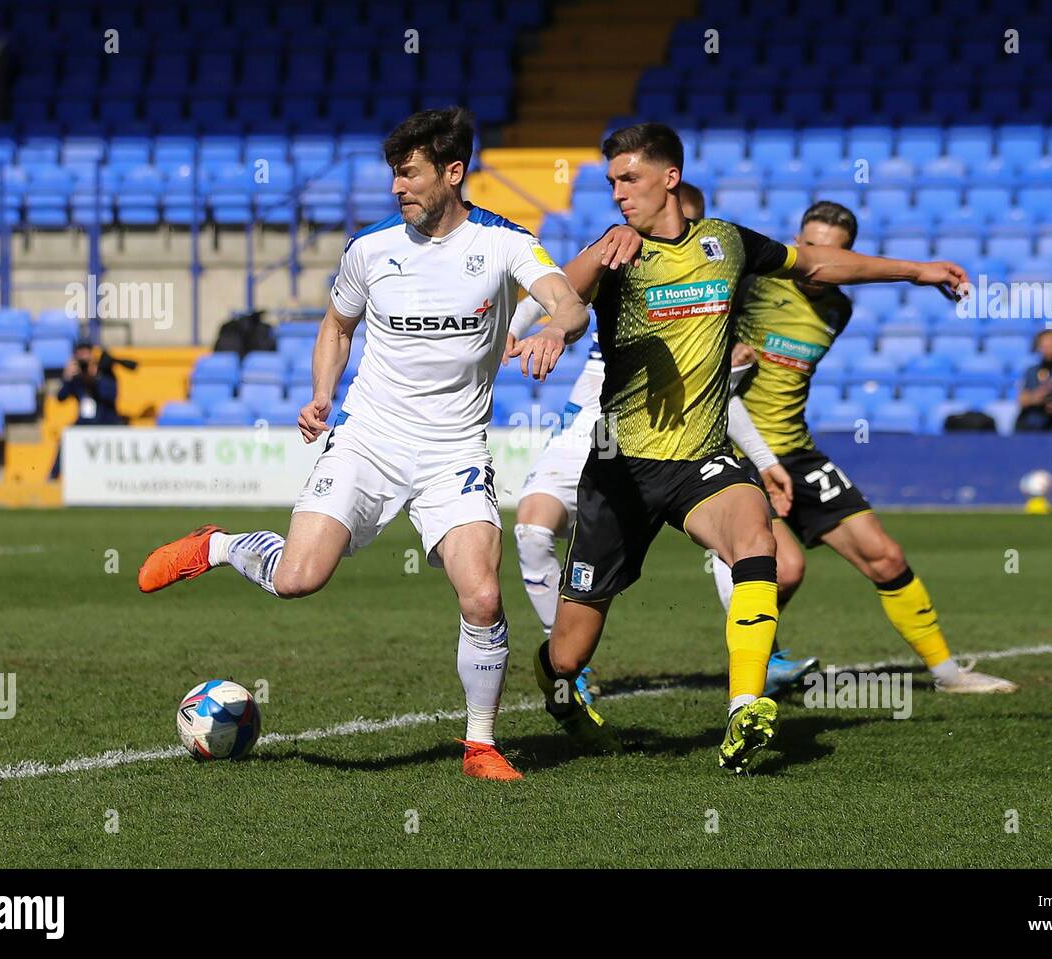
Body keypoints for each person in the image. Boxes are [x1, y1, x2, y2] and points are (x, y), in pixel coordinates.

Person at [137, 107, 592, 781]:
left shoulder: (504, 243)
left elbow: (569, 300)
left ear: (453, 172)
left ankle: (480, 745)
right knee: (298, 579)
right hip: (369, 439)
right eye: (394, 174)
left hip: (454, 450)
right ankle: (221, 545)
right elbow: (337, 325)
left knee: (484, 598)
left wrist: (557, 327)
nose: (397, 188)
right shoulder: (370, 249)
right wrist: (323, 391)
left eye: (410, 174)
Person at [510, 123, 970, 772]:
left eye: (629, 178)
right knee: (568, 653)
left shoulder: (723, 243)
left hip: (699, 458)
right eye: (611, 181)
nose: (617, 192)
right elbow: (569, 296)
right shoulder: (613, 249)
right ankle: (560, 688)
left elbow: (815, 264)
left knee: (756, 541)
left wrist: (915, 270)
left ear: (671, 178)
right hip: (620, 470)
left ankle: (745, 705)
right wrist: (555, 329)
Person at [715, 201, 1018, 694]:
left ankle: (947, 675)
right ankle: (756, 660)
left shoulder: (838, 309)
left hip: (796, 451)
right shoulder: (752, 284)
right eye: (809, 245)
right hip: (738, 453)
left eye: (831, 252)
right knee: (785, 570)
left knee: (885, 555)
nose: (817, 260)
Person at [506, 183, 705, 704]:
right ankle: (567, 665)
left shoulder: (711, 277)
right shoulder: (618, 252)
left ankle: (762, 658)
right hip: (584, 420)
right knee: (530, 528)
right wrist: (515, 327)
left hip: (651, 431)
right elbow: (559, 285)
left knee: (736, 539)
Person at [50, 341, 122, 479]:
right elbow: (61, 397)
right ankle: (52, 479)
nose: (83, 355)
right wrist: (67, 377)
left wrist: (94, 377)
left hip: (106, 422)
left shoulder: (104, 372)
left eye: (86, 351)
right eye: (79, 352)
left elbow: (111, 395)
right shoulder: (77, 378)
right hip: (84, 423)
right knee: (66, 440)